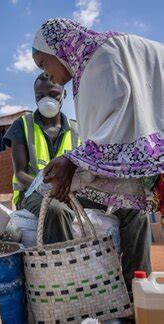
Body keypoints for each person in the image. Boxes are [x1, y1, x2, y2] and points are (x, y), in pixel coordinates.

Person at [32, 18, 163, 294]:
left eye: (44, 63)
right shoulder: (90, 67)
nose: (48, 74)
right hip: (48, 186)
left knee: (135, 213)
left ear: (59, 47)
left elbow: (120, 124)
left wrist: (73, 160)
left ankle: (135, 292)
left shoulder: (102, 56)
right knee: (54, 208)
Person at [3, 73, 80, 244]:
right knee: (55, 210)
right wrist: (46, 187)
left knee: (129, 210)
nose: (47, 100)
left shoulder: (77, 130)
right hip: (31, 193)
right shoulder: (22, 125)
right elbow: (20, 173)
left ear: (64, 95)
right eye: (40, 96)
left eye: (53, 95)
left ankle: (136, 270)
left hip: (71, 191)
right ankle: (63, 265)